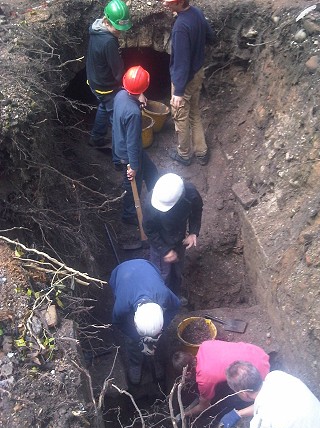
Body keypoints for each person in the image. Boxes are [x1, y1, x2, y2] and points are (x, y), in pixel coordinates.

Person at [109, 259, 181, 384]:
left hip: (147, 266)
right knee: (131, 340)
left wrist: (162, 328)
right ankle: (135, 363)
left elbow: (176, 306)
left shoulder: (163, 294)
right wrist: (137, 337)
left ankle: (156, 358)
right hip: (121, 273)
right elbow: (118, 323)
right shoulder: (122, 306)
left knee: (159, 337)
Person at [163, 0, 216, 166]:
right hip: (198, 73)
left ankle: (184, 155)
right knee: (194, 111)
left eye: (168, 2)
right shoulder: (197, 13)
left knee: (180, 116)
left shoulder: (180, 27)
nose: (164, 4)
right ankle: (202, 152)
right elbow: (211, 37)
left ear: (179, 2)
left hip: (185, 80)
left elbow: (181, 63)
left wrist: (178, 92)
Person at [172, 340, 270, 417]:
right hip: (258, 353)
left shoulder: (203, 379)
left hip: (259, 373)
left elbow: (204, 406)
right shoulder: (205, 345)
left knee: (235, 399)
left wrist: (185, 414)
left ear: (187, 373)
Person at [142, 173, 203, 297]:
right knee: (161, 274)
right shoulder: (152, 203)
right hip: (160, 240)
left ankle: (174, 296)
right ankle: (159, 299)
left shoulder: (190, 193)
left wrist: (193, 232)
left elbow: (197, 211)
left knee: (177, 269)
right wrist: (164, 250)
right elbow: (149, 230)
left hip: (179, 237)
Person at [112, 66, 159, 225]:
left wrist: (138, 97)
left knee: (152, 172)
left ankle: (158, 200)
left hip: (123, 145)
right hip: (129, 154)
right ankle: (129, 216)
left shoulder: (120, 95)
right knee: (133, 185)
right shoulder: (133, 113)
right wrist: (133, 166)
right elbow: (132, 141)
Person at [86, 0, 132, 147]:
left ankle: (96, 138)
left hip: (94, 80)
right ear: (107, 21)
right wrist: (130, 88)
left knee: (103, 106)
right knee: (115, 115)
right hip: (105, 86)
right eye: (117, 29)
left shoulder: (96, 29)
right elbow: (118, 70)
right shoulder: (109, 42)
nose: (119, 32)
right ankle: (121, 151)